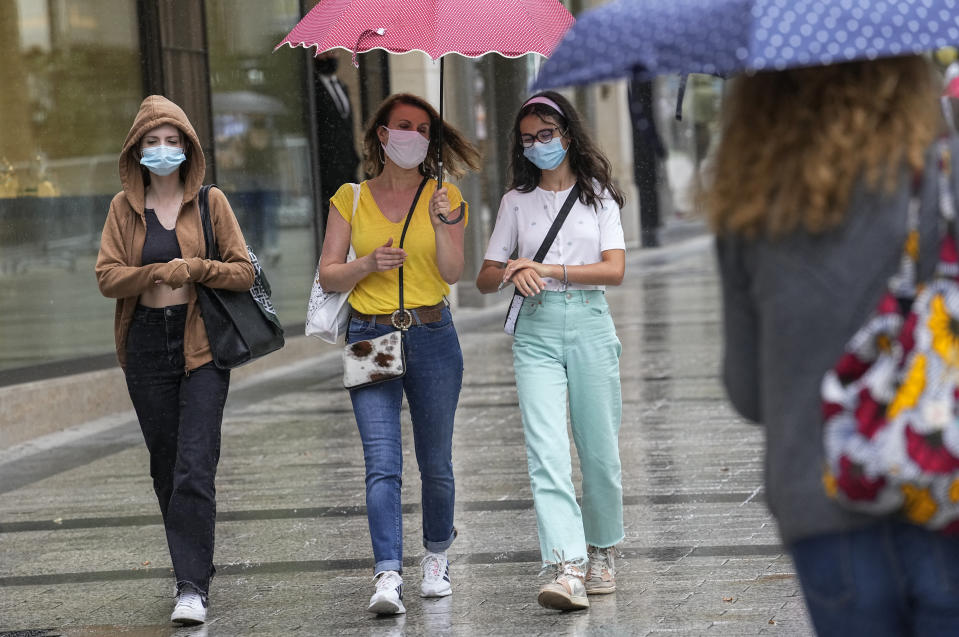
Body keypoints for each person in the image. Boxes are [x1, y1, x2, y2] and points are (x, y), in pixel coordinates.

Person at [710, 57, 959, 636]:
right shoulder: (942, 174)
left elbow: (748, 394)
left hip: (822, 507)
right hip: (944, 486)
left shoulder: (750, 205)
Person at [317, 93, 480, 615]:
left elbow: (453, 272)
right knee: (381, 462)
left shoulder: (446, 196)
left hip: (433, 333)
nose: (413, 136)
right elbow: (328, 273)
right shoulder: (350, 197)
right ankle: (387, 572)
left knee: (436, 461)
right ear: (383, 136)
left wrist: (441, 223)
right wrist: (367, 263)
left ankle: (436, 557)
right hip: (370, 336)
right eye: (402, 126)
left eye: (423, 129)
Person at [95, 95, 254, 626]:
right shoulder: (123, 209)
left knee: (194, 463)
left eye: (172, 141)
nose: (163, 150)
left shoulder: (211, 202)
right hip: (145, 342)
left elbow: (243, 272)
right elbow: (107, 277)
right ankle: (192, 565)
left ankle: (190, 587)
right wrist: (153, 275)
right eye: (152, 141)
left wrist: (196, 268)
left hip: (202, 342)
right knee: (166, 467)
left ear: (187, 147)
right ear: (136, 149)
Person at [475, 91, 627, 611]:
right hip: (536, 333)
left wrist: (549, 270)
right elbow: (484, 278)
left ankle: (602, 549)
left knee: (599, 451)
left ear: (567, 135)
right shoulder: (516, 202)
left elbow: (615, 269)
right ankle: (566, 565)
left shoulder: (599, 197)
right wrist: (515, 268)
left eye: (547, 134)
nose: (538, 144)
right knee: (547, 452)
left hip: (589, 321)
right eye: (528, 138)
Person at [314, 51, 360, 229]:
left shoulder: (342, 86)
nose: (330, 57)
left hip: (347, 165)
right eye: (325, 54)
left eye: (334, 52)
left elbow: (347, 127)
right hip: (327, 169)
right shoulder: (314, 89)